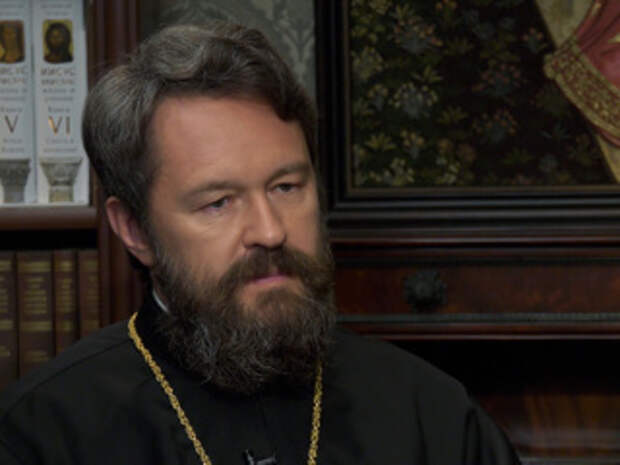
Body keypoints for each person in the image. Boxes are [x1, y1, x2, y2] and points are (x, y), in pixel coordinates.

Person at [0, 23, 521, 465]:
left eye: (286, 187)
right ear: (135, 230)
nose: (271, 232)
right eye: (219, 202)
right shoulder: (41, 434)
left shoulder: (431, 415)